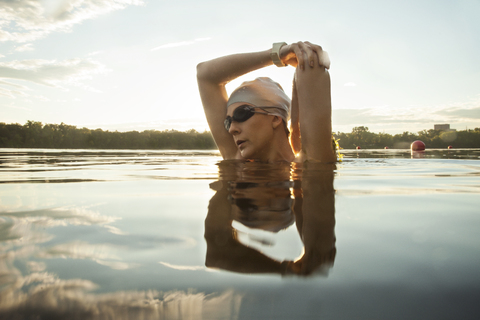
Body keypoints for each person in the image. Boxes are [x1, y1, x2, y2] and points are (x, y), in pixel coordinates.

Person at [196, 41, 336, 163]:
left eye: (241, 114)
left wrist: (303, 55)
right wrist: (275, 54)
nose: (232, 129)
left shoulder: (311, 161)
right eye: (228, 122)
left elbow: (311, 62)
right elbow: (204, 74)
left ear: (275, 118)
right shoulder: (238, 162)